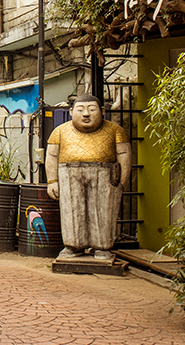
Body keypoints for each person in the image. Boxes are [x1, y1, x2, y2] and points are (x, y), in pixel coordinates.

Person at [45, 95, 131, 262]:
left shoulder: (115, 131)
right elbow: (51, 156)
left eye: (92, 110)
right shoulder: (60, 131)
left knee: (103, 211)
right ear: (71, 112)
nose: (86, 114)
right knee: (71, 210)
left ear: (103, 111)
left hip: (105, 175)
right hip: (68, 174)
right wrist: (52, 181)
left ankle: (102, 247)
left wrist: (122, 181)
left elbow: (125, 155)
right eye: (80, 110)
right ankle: (73, 245)